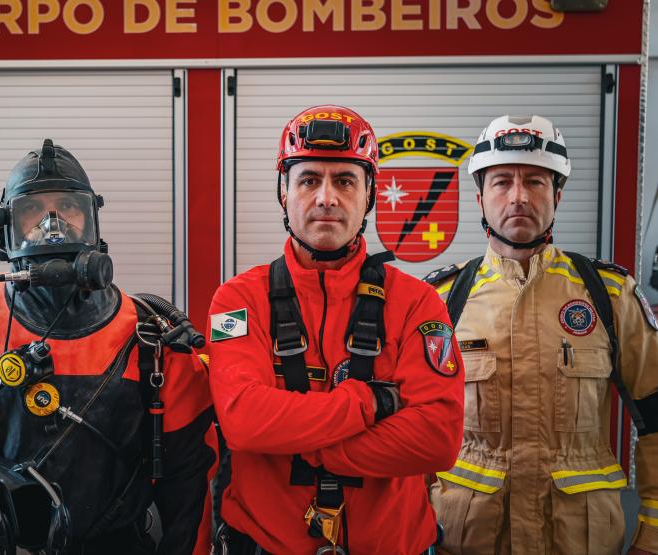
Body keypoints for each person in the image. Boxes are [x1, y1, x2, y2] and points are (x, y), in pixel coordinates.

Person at [0, 140, 217, 555]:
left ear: (92, 221)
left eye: (68, 207)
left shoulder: (151, 337)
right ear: (3, 229)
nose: (52, 223)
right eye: (33, 210)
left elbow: (190, 471)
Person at [207, 105, 465, 555]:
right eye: (308, 180)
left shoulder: (417, 303)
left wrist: (310, 447)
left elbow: (437, 438)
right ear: (283, 193)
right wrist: (368, 402)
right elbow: (244, 422)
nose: (326, 197)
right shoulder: (235, 302)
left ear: (370, 196)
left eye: (345, 180)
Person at [425, 115, 658, 554]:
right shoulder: (440, 300)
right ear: (479, 198)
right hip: (468, 539)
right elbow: (413, 428)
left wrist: (653, 532)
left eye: (534, 181)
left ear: (557, 195)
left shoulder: (608, 296)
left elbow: (656, 417)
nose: (518, 197)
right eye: (501, 182)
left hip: (580, 539)